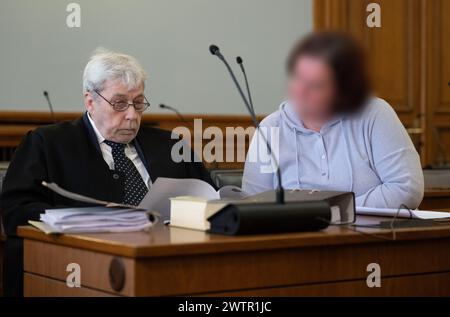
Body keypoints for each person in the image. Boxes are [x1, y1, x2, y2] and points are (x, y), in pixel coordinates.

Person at [1, 48, 214, 296]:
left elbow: (210, 198)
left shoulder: (170, 145)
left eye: (138, 103)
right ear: (90, 101)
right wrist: (87, 219)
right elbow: (16, 211)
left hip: (171, 264)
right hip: (83, 268)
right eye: (120, 103)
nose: (132, 115)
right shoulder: (47, 144)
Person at [242, 32, 424, 209]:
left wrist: (335, 211)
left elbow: (406, 188)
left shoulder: (375, 113)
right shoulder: (269, 129)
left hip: (369, 236)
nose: (301, 92)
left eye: (316, 85)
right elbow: (252, 203)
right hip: (293, 238)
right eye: (298, 79)